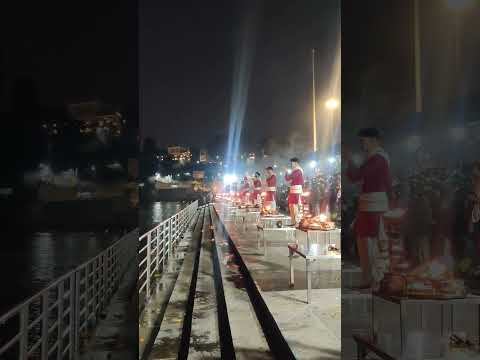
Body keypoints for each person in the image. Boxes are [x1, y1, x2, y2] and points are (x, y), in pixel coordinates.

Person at [344, 128, 392, 290]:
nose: (361, 144)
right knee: (365, 244)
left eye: (363, 140)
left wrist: (349, 159)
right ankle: (369, 279)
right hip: (368, 206)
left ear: (373, 140)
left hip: (374, 207)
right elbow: (354, 177)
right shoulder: (373, 158)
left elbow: (356, 175)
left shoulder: (378, 158)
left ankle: (375, 280)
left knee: (371, 245)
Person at [285, 157, 305, 226]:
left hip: (297, 191)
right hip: (292, 191)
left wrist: (289, 172)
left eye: (292, 163)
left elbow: (292, 177)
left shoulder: (298, 170)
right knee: (291, 206)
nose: (291, 164)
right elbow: (287, 179)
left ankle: (297, 222)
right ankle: (293, 222)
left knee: (296, 207)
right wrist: (287, 172)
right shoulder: (294, 170)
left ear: (296, 163)